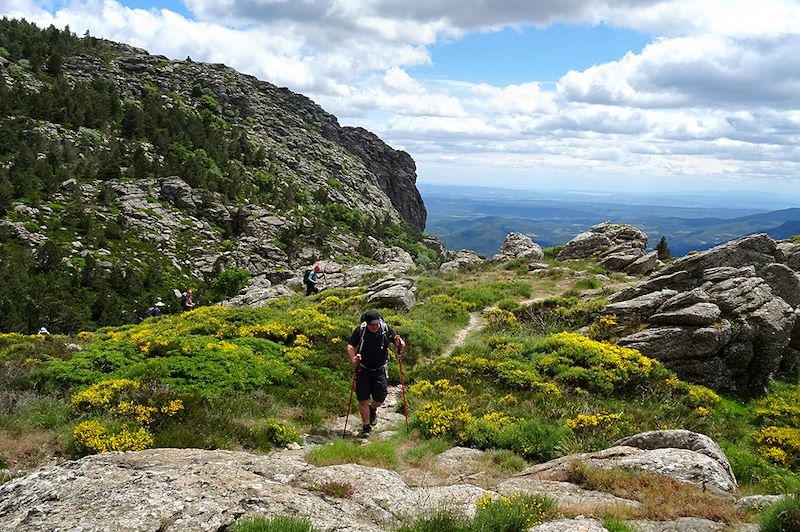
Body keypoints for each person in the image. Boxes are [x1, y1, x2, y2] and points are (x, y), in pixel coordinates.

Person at [346, 310, 405, 436]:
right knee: (363, 399)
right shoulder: (360, 331)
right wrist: (353, 359)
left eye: (377, 323)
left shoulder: (385, 328)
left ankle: (373, 409)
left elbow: (398, 342)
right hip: (363, 369)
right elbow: (350, 346)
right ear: (366, 323)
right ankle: (366, 426)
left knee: (380, 397)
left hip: (380, 370)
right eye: (372, 324)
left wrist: (400, 344)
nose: (375, 326)